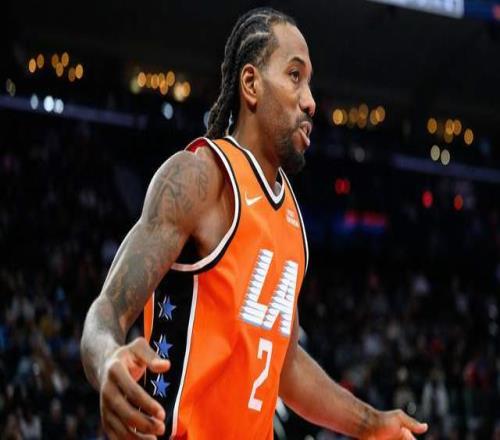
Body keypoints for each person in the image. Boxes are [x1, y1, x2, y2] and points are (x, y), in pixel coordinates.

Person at [80, 7, 429, 440]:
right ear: (251, 84)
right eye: (295, 76)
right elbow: (106, 311)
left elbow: (287, 365)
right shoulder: (201, 178)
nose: (310, 101)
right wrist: (107, 360)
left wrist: (372, 424)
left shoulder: (293, 220)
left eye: (310, 82)